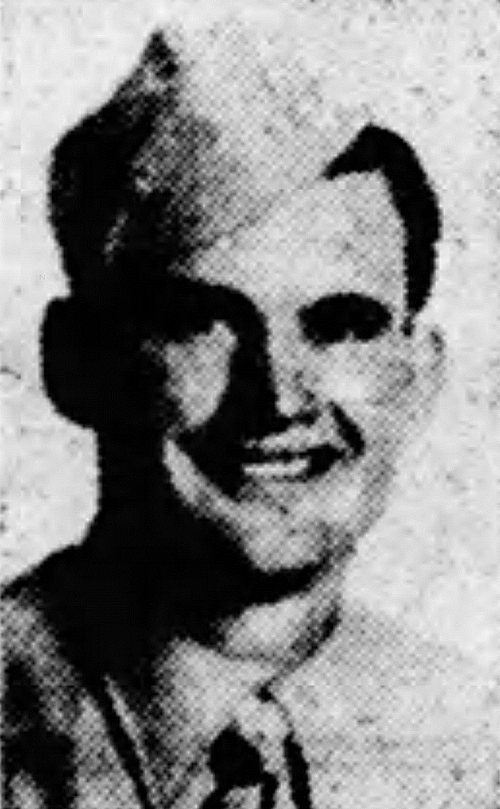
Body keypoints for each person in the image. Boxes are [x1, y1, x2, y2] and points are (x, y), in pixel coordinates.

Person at [4, 8, 468, 808]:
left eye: (341, 325)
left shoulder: (473, 740)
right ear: (76, 363)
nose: (279, 396)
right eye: (199, 321)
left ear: (417, 375)